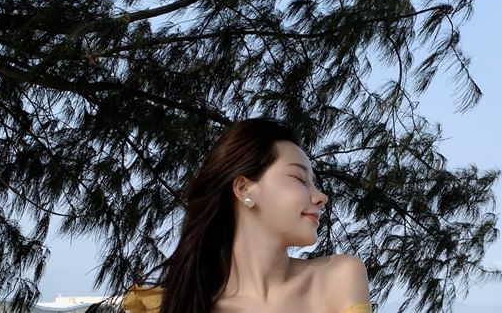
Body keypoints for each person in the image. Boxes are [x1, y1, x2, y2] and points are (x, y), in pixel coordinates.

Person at [123, 117, 371, 313]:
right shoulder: (174, 305)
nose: (321, 197)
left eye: (313, 183)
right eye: (299, 178)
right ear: (243, 189)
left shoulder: (337, 278)